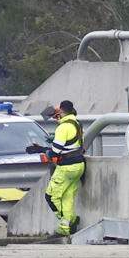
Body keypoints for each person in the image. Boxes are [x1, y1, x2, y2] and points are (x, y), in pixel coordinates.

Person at [40, 99, 85, 237]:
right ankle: (66, 227)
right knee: (67, 196)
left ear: (61, 111)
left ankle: (69, 222)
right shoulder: (76, 123)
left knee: (51, 197)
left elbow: (56, 151)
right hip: (79, 166)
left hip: (66, 167)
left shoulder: (63, 127)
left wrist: (47, 152)